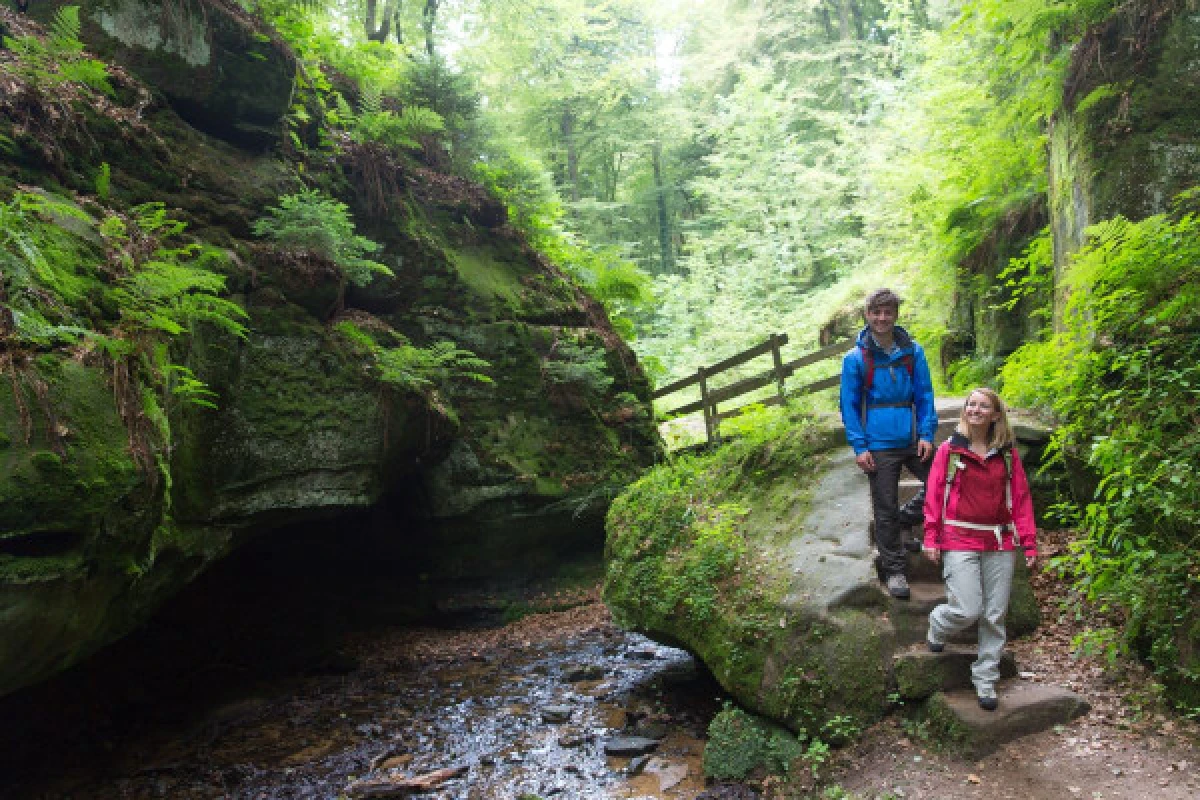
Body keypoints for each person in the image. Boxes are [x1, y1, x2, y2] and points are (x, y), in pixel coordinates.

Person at [922, 388, 1038, 711]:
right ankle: (939, 624)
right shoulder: (950, 450)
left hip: (999, 540)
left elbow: (1021, 499)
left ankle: (986, 678)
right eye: (971, 404)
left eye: (982, 406)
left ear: (995, 415)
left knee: (994, 613)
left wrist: (1028, 542)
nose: (974, 409)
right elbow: (933, 496)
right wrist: (932, 537)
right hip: (958, 538)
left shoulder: (1007, 454)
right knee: (967, 609)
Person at [840, 288, 938, 599]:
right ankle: (895, 570)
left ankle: (907, 518)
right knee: (884, 507)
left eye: (888, 312)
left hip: (911, 437)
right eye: (876, 312)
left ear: (895, 314)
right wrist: (860, 447)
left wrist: (926, 433)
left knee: (945, 482)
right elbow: (849, 405)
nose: (882, 318)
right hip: (878, 443)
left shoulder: (913, 352)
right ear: (867, 315)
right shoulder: (856, 359)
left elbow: (924, 396)